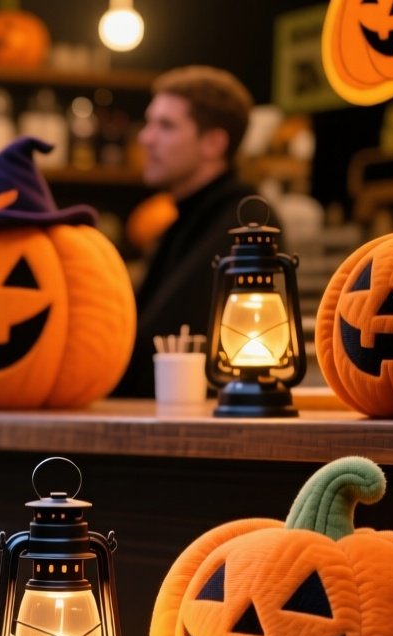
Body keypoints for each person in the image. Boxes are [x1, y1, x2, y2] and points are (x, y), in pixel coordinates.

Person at [116, 66, 267, 398]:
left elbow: (158, 342)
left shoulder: (245, 224)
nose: (145, 138)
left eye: (165, 126)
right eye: (149, 122)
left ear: (213, 143)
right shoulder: (187, 219)